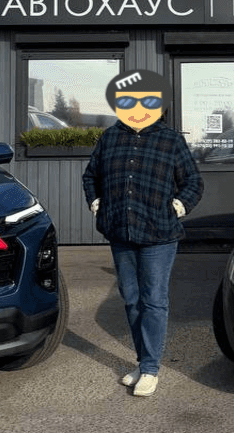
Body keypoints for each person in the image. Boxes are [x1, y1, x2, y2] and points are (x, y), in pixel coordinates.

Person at [82, 68, 203, 397]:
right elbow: (91, 175)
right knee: (132, 299)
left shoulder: (170, 139)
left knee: (153, 301)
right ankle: (142, 361)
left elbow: (193, 181)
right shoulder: (110, 137)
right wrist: (96, 201)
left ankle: (150, 368)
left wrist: (179, 206)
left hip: (159, 234)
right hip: (120, 231)